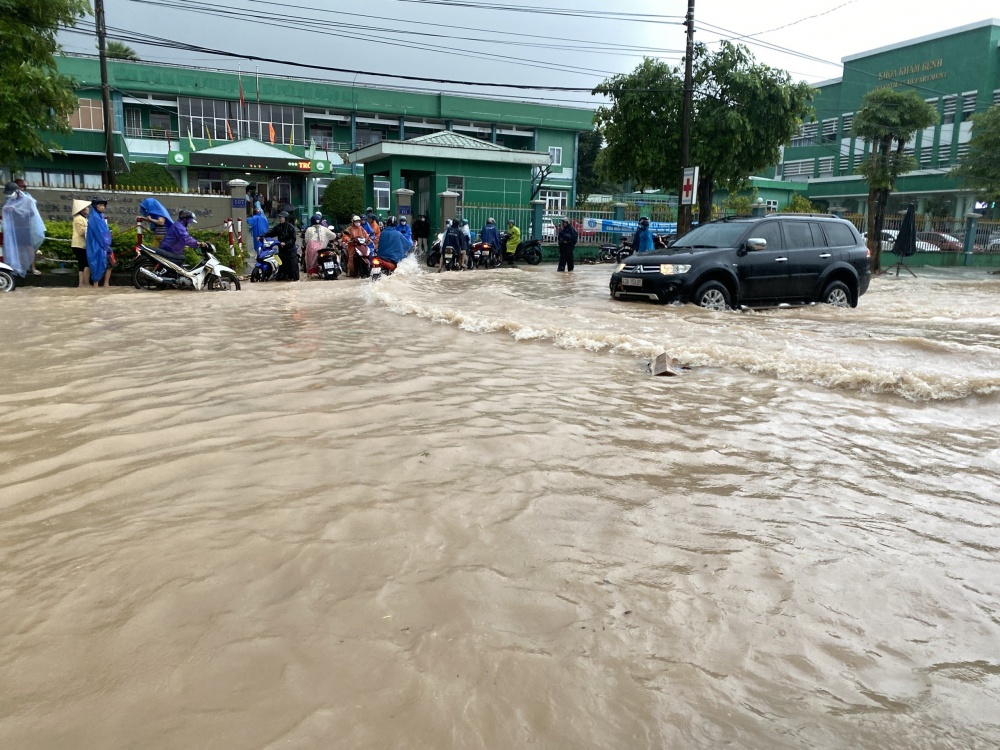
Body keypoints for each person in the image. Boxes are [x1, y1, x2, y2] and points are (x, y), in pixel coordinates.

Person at [1, 181, 45, 277]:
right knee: (19, 249)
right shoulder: (10, 200)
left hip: (25, 227)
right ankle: (20, 267)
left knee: (29, 248)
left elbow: (32, 214)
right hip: (14, 229)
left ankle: (33, 267)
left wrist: (16, 210)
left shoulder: (27, 200)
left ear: (17, 191)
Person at [85, 197, 112, 289]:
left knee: (103, 264)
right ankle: (95, 287)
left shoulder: (99, 216)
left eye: (103, 205)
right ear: (95, 206)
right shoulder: (95, 218)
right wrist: (106, 245)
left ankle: (101, 286)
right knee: (96, 264)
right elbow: (99, 233)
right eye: (100, 205)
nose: (102, 207)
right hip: (97, 245)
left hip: (102, 245)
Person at [265, 211, 299, 280]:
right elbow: (271, 232)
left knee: (293, 270)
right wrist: (262, 236)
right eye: (279, 217)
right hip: (282, 251)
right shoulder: (278, 227)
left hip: (290, 251)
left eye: (282, 217)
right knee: (281, 270)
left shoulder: (291, 227)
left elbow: (293, 239)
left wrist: (286, 243)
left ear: (286, 218)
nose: (280, 219)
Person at [303, 213, 336, 278]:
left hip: (311, 250)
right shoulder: (324, 228)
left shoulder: (309, 229)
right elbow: (333, 236)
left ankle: (309, 274)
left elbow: (306, 240)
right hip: (322, 249)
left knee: (308, 261)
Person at [70, 199, 91, 288]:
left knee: (82, 264)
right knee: (85, 264)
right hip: (79, 245)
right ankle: (84, 283)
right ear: (82, 209)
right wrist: (90, 229)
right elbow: (81, 232)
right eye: (86, 208)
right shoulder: (78, 219)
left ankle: (82, 284)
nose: (88, 209)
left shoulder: (82, 218)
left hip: (80, 244)